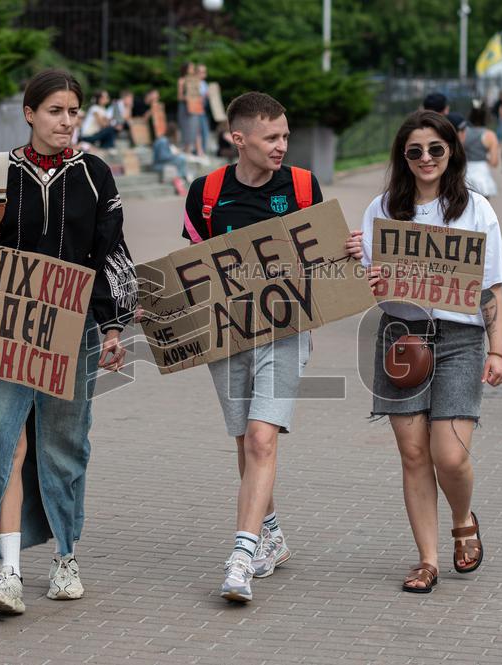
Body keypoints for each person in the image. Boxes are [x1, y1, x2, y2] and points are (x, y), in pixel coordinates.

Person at [0, 69, 136, 615]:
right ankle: (6, 571)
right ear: (29, 113)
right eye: (55, 110)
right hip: (6, 330)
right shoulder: (1, 172)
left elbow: (111, 254)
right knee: (9, 441)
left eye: (74, 111)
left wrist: (116, 325)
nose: (67, 121)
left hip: (74, 333)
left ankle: (64, 556)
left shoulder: (96, 175)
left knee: (65, 445)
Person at [346, 109, 502, 593]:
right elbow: (370, 287)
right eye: (414, 151)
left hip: (460, 339)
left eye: (435, 149)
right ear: (403, 156)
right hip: (401, 337)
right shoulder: (381, 208)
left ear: (451, 152)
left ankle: (463, 519)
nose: (425, 158)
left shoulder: (476, 209)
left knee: (450, 455)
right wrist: (362, 271)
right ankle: (428, 559)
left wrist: (498, 351)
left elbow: (492, 285)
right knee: (413, 453)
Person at [180, 92, 323, 603]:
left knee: (263, 438)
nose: (282, 146)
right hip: (227, 332)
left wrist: (349, 251)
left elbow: (324, 259)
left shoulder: (303, 187)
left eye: (285, 136)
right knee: (245, 440)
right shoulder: (206, 193)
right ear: (238, 139)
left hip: (286, 330)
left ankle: (240, 557)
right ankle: (271, 534)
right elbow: (192, 268)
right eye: (271, 138)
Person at [463, 104, 499, 198]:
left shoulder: (463, 133)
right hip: (482, 173)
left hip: (465, 172)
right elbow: (494, 162)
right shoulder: (490, 135)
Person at [177, 62, 204, 155]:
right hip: (185, 108)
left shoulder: (195, 81)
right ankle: (187, 150)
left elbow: (198, 94)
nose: (193, 70)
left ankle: (198, 150)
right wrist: (189, 98)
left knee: (196, 128)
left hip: (194, 108)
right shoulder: (182, 80)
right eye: (191, 68)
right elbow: (179, 97)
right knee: (187, 128)